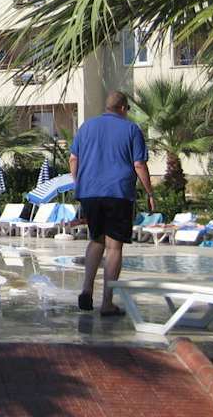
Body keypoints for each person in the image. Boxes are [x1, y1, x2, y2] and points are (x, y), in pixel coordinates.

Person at [70, 90, 154, 317]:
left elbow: (73, 158)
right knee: (114, 246)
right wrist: (150, 192)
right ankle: (107, 303)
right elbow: (139, 164)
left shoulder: (86, 127)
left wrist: (79, 183)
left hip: (89, 192)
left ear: (107, 107)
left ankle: (87, 289)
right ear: (123, 108)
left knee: (96, 239)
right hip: (118, 192)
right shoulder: (131, 129)